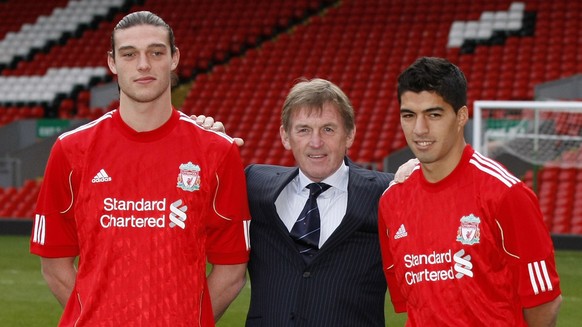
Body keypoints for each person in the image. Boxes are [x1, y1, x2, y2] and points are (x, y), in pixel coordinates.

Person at [29, 11, 250, 326]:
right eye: (129, 54)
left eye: (156, 52)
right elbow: (54, 266)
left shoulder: (217, 151)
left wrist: (182, 319)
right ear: (113, 63)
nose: (143, 64)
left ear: (174, 58)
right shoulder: (70, 150)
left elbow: (231, 273)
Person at [378, 57, 562, 326]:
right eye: (409, 115)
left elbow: (545, 301)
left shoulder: (505, 194)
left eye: (434, 114)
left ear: (461, 117)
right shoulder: (391, 202)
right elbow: (414, 306)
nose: (419, 129)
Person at [243, 78, 394, 326]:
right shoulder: (254, 184)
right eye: (303, 129)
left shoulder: (386, 192)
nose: (316, 142)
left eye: (328, 129)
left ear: (350, 134)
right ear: (285, 136)